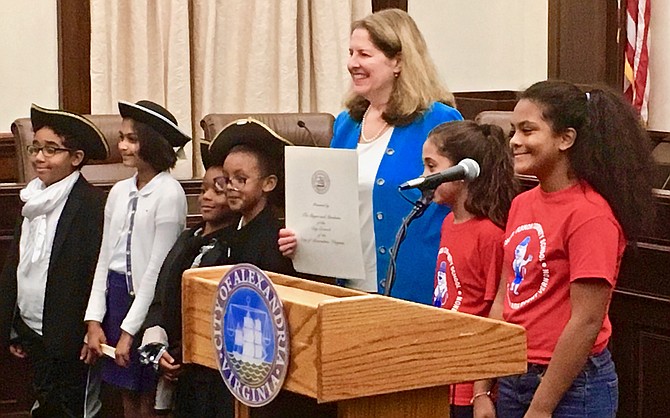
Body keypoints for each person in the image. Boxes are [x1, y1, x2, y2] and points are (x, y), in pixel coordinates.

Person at [475, 80, 655, 418]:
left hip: (572, 386)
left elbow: (586, 321)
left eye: (528, 130)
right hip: (513, 374)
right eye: (513, 131)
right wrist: (482, 387)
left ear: (565, 138)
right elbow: (504, 298)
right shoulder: (521, 204)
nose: (514, 141)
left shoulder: (590, 214)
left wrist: (541, 408)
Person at [278, 9, 463, 304]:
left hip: (418, 285)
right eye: (351, 53)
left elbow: (462, 202)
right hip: (351, 286)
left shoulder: (439, 120)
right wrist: (306, 238)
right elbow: (334, 205)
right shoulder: (346, 123)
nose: (352, 63)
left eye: (364, 54)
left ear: (398, 62)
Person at [82, 100, 190, 418]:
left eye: (131, 139)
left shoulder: (169, 193)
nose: (123, 146)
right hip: (115, 299)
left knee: (149, 397)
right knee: (126, 393)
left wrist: (130, 332)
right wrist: (94, 320)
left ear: (151, 144)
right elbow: (104, 258)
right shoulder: (118, 192)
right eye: (122, 137)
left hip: (146, 307)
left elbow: (157, 270)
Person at [0, 104, 109, 417]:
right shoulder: (31, 199)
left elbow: (93, 273)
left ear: (75, 158)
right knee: (43, 404)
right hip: (33, 330)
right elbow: (18, 267)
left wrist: (92, 326)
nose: (39, 157)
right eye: (36, 147)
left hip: (70, 336)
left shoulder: (90, 205)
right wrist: (14, 327)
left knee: (71, 407)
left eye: (51, 150)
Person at [422, 121, 518, 418]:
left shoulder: (490, 235)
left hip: (470, 383)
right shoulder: (449, 223)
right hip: (444, 373)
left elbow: (496, 313)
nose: (425, 177)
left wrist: (481, 391)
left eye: (432, 166)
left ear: (464, 172)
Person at [139, 149, 237, 418]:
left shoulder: (232, 249)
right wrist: (158, 351)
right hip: (169, 356)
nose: (205, 197)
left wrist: (182, 355)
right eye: (203, 189)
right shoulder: (187, 238)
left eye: (217, 191)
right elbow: (161, 295)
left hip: (204, 370)